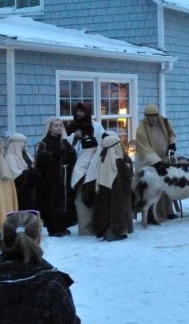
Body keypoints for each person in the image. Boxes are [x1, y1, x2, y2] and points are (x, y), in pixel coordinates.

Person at [135, 104, 178, 221]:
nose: (152, 118)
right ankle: (153, 215)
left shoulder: (164, 123)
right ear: (146, 116)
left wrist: (172, 144)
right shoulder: (141, 130)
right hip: (150, 162)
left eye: (154, 116)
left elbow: (171, 134)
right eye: (150, 116)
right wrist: (157, 162)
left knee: (166, 184)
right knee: (154, 188)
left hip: (164, 159)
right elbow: (145, 149)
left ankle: (168, 211)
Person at [36, 118, 77, 238]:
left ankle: (63, 225)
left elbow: (71, 153)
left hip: (64, 175)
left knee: (64, 201)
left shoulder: (63, 141)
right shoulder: (45, 142)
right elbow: (42, 161)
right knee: (53, 202)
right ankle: (54, 228)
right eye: (56, 126)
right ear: (50, 127)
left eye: (60, 125)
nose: (59, 128)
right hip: (50, 179)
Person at [67, 102, 105, 234]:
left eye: (82, 112)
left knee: (94, 197)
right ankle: (84, 227)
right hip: (76, 169)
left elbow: (102, 144)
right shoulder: (71, 127)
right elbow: (66, 145)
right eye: (77, 112)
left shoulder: (96, 126)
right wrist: (75, 137)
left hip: (93, 166)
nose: (79, 114)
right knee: (81, 199)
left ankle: (96, 226)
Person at [89, 134, 134, 241]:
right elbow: (126, 178)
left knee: (105, 211)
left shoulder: (103, 157)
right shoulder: (118, 161)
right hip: (117, 192)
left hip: (104, 190)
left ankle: (105, 231)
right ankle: (115, 232)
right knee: (116, 211)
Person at [5, 133, 38, 211]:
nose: (24, 145)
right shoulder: (10, 157)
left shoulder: (26, 154)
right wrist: (28, 172)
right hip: (20, 191)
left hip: (31, 189)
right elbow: (15, 173)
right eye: (22, 143)